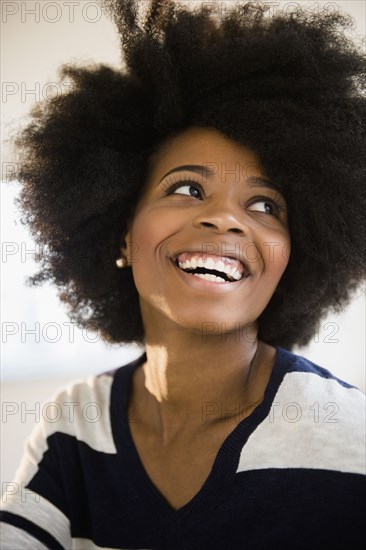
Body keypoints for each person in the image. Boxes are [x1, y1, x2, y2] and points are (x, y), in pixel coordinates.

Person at [1, 1, 365, 548]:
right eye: (187, 188)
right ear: (122, 231)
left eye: (266, 205)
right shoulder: (75, 426)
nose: (224, 217)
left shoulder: (353, 440)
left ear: (296, 254)